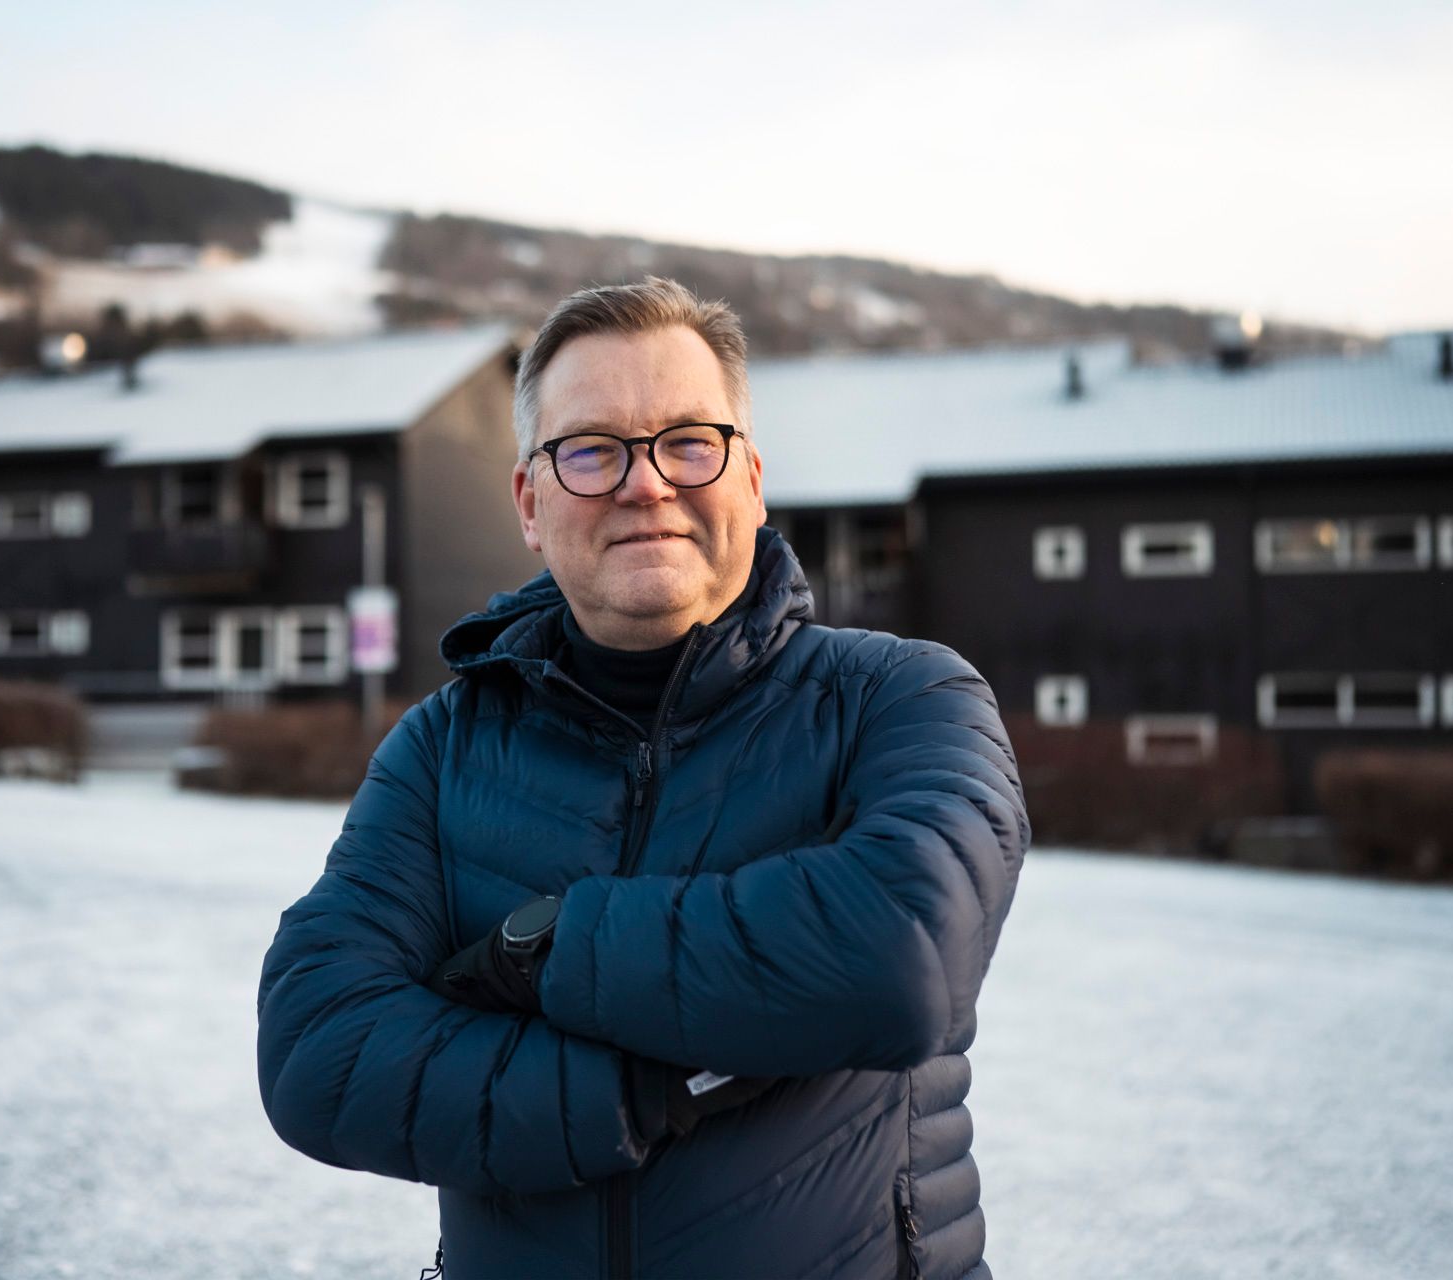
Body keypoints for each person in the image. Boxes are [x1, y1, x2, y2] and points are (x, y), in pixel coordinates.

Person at [257, 278, 1028, 1279]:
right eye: (593, 449)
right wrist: (639, 1089)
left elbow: (903, 950)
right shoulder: (444, 746)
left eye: (687, 441)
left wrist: (539, 952)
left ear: (749, 477)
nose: (644, 482)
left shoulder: (898, 695)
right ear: (531, 502)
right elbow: (321, 1048)